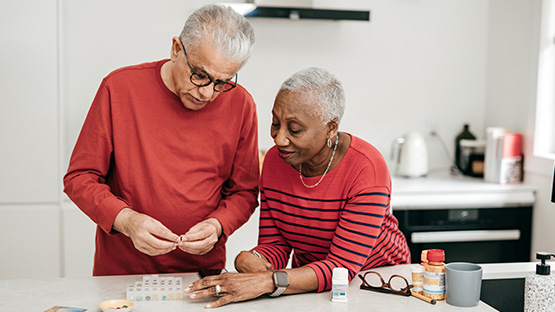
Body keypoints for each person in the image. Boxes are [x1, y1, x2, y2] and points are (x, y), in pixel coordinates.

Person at [185, 67, 411, 308]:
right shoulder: (275, 161)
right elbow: (277, 245)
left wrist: (268, 281)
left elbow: (341, 268)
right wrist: (252, 259)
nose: (279, 138)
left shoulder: (366, 169)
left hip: (381, 283)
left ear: (330, 128)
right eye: (275, 123)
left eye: (294, 130)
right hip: (311, 285)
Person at [63, 4, 259, 276]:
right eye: (199, 75)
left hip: (202, 273)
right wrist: (128, 221)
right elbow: (80, 178)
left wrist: (218, 224)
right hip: (123, 273)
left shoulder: (241, 104)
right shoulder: (119, 88)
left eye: (221, 83)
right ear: (176, 49)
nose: (206, 93)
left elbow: (244, 192)